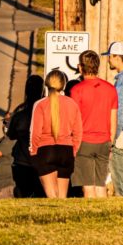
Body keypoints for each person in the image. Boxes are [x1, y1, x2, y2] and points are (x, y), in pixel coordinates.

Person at [69, 50, 118, 198]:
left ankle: (91, 216)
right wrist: (111, 143)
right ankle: (103, 215)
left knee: (88, 185)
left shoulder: (76, 90)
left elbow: (74, 120)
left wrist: (74, 144)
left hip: (84, 141)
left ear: (80, 67)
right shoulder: (110, 89)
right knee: (100, 183)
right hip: (104, 141)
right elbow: (113, 119)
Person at [30, 69, 83, 199]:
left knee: (52, 197)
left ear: (47, 84)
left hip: (45, 150)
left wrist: (33, 152)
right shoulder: (72, 104)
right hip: (66, 151)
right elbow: (78, 132)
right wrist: (74, 150)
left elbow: (35, 133)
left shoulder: (40, 104)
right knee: (62, 198)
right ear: (63, 85)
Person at [8, 74, 45, 198]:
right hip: (42, 161)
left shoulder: (20, 113)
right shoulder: (47, 111)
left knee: (22, 194)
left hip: (22, 160)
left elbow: (11, 134)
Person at [104, 41, 123, 196]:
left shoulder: (122, 81)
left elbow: (120, 113)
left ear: (118, 58)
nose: (108, 60)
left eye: (110, 57)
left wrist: (113, 139)